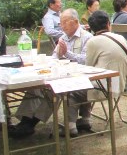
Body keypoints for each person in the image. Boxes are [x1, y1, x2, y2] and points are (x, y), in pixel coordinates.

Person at [9, 9, 93, 138]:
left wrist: (67, 54)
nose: (61, 26)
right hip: (61, 74)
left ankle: (30, 124)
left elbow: (86, 60)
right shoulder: (63, 37)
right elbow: (55, 56)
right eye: (60, 22)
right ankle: (24, 121)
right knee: (36, 88)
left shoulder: (87, 37)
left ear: (75, 22)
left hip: (79, 78)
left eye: (64, 22)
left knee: (51, 91)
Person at [86, 10, 127, 103]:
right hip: (123, 83)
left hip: (103, 88)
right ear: (108, 24)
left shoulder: (93, 41)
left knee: (72, 93)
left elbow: (88, 66)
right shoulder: (120, 37)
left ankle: (84, 115)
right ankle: (86, 114)